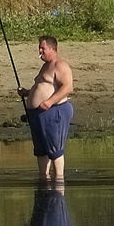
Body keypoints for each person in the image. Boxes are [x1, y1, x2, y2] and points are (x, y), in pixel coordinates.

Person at [16, 36, 74, 180]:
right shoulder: (46, 65)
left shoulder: (60, 65)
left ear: (53, 49)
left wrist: (50, 101)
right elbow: (44, 87)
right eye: (39, 48)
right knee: (41, 150)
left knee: (55, 150)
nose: (40, 51)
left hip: (53, 112)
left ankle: (58, 181)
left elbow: (68, 87)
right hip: (37, 114)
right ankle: (44, 178)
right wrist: (28, 93)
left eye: (43, 48)